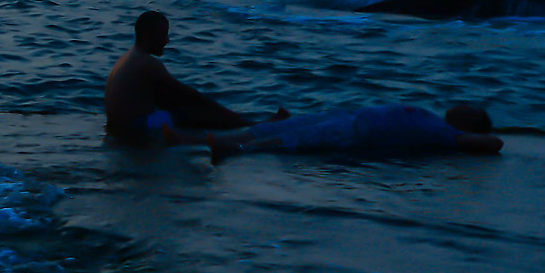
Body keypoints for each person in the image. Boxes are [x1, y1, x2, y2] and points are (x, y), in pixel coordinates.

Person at [104, 10, 275, 144]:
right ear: (149, 36)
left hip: (119, 127)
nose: (167, 40)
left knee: (174, 105)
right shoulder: (147, 63)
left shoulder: (128, 58)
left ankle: (247, 123)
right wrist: (231, 115)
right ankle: (253, 126)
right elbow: (188, 95)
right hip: (135, 127)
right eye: (163, 35)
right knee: (196, 113)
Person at [206, 104, 504, 164]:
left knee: (295, 138)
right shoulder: (439, 124)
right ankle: (188, 140)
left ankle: (233, 151)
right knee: (283, 127)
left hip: (361, 131)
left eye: (473, 109)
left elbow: (494, 142)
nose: (466, 104)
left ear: (470, 123)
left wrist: (474, 135)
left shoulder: (450, 135)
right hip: (352, 118)